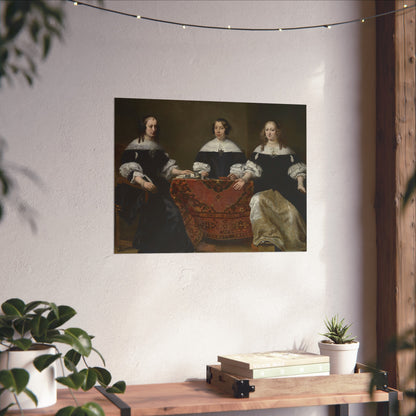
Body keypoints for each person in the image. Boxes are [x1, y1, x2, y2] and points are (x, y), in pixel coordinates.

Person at [118, 115, 194, 253]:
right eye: (150, 126)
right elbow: (127, 168)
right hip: (140, 186)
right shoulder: (134, 146)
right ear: (143, 127)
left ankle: (171, 249)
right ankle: (153, 248)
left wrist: (180, 171)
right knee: (165, 212)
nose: (154, 129)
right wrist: (143, 183)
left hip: (159, 186)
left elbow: (165, 167)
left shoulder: (157, 147)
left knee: (174, 211)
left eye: (155, 126)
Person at [233, 120, 306, 251]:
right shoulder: (258, 150)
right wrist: (244, 179)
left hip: (284, 189)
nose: (269, 133)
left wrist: (300, 184)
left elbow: (297, 171)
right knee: (257, 200)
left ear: (277, 132)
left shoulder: (287, 151)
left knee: (292, 213)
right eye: (267, 130)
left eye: (272, 130)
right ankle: (267, 238)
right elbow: (251, 170)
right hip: (264, 188)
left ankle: (287, 241)